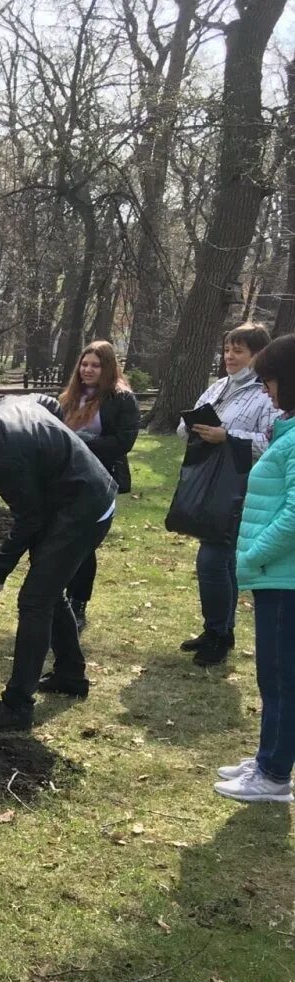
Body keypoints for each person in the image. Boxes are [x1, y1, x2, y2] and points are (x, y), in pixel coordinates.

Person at [0, 393, 118, 729]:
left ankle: (17, 706)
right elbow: (47, 403)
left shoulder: (5, 460)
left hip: (83, 510)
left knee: (35, 600)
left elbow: (29, 520)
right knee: (48, 592)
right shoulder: (8, 405)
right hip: (75, 497)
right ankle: (69, 675)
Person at [218, 334, 295, 802]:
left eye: (269, 380)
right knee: (272, 673)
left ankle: (274, 775)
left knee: (283, 675)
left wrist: (251, 556)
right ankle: (270, 754)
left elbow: (293, 515)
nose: (265, 389)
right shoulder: (287, 430)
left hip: (285, 577)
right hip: (274, 576)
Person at [177, 322, 276, 667]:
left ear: (257, 355)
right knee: (221, 561)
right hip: (210, 482)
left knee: (213, 559)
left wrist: (227, 436)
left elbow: (273, 443)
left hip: (243, 488)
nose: (230, 357)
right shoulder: (217, 387)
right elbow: (181, 428)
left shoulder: (267, 393)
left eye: (239, 351)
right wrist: (194, 427)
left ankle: (218, 633)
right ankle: (219, 630)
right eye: (228, 350)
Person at [59, 340, 139, 632]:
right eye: (84, 364)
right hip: (65, 480)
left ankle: (78, 604)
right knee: (62, 540)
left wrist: (84, 442)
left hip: (99, 480)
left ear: (107, 367)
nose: (88, 370)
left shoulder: (121, 398)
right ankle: (59, 599)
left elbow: (124, 441)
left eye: (95, 365)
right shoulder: (70, 397)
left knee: (84, 543)